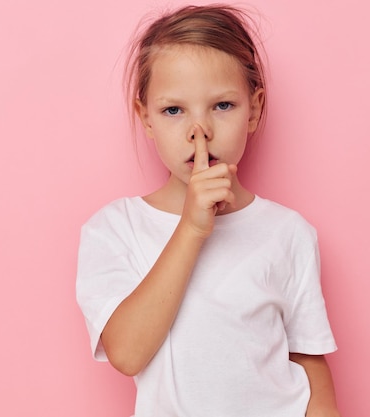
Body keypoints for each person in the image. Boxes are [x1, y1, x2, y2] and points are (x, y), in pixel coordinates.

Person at [76, 4, 341, 416]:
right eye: (173, 110)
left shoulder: (289, 232)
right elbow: (126, 354)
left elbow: (309, 359)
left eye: (222, 106)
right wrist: (191, 228)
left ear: (253, 109)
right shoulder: (114, 228)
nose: (200, 130)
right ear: (145, 117)